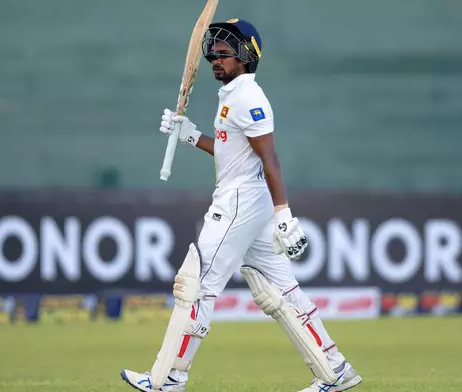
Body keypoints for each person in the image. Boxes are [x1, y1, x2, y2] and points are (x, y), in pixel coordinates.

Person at [121, 18, 362, 392]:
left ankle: (169, 376)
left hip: (240, 203)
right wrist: (190, 136)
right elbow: (230, 151)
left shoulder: (249, 98)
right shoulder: (232, 96)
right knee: (279, 289)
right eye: (212, 51)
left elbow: (270, 160)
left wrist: (284, 214)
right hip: (245, 200)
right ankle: (335, 370)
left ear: (247, 56)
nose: (214, 58)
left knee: (197, 283)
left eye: (224, 51)